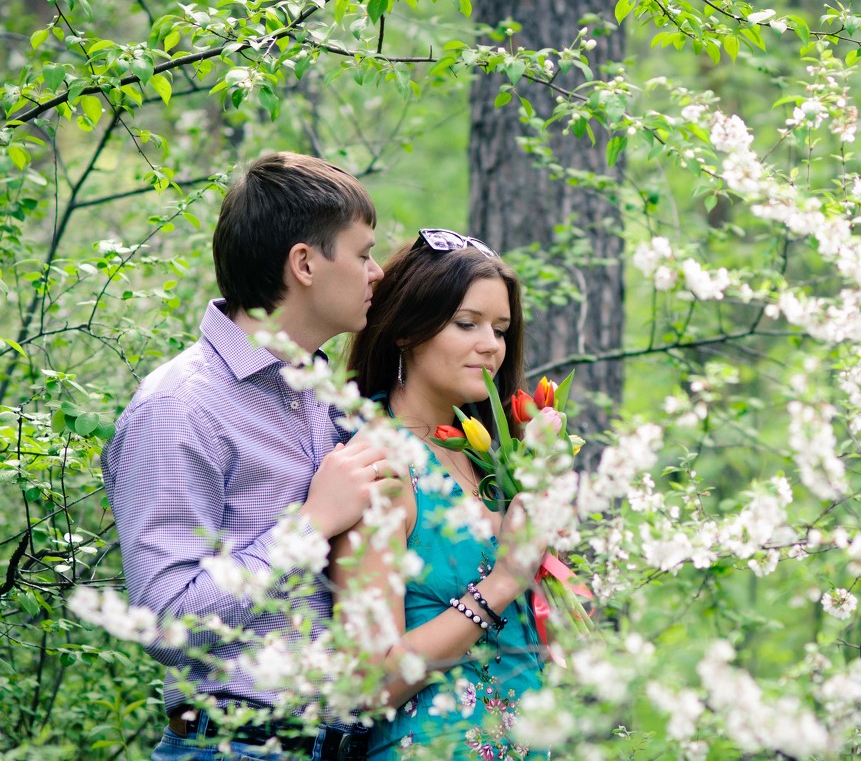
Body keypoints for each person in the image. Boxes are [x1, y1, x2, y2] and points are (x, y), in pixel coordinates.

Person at [101, 151, 391, 761]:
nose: (378, 272)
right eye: (363, 254)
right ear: (305, 263)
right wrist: (311, 525)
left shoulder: (322, 398)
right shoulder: (181, 406)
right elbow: (166, 624)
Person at [337, 229, 550, 759]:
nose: (491, 345)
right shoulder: (379, 466)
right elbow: (367, 688)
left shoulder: (489, 461)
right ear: (408, 330)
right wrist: (502, 583)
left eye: (500, 330)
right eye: (467, 324)